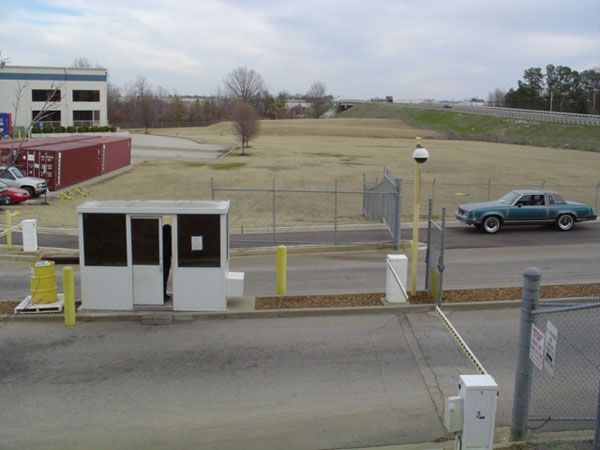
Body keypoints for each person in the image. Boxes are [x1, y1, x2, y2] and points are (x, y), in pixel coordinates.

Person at [162, 224, 172, 300]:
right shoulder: (168, 238)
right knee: (165, 277)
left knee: (163, 278)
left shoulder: (161, 238)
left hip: (164, 260)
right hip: (166, 260)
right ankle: (163, 294)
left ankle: (163, 294)